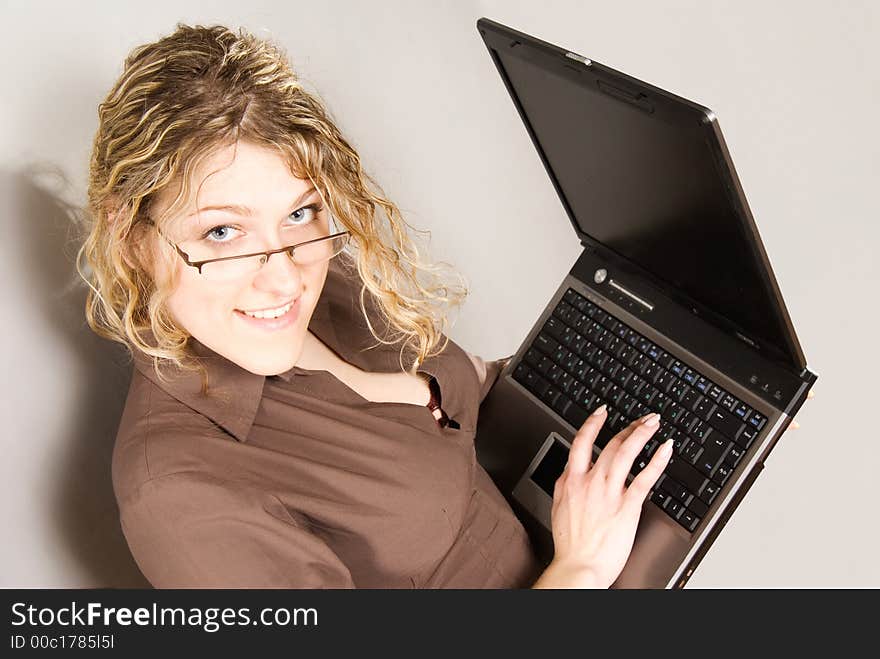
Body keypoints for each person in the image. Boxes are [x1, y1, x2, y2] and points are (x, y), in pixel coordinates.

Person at [77, 24, 805, 589]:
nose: (281, 277)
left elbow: (460, 395)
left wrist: (622, 360)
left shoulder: (320, 288)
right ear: (131, 237)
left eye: (299, 214)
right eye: (224, 231)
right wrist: (578, 571)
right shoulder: (180, 492)